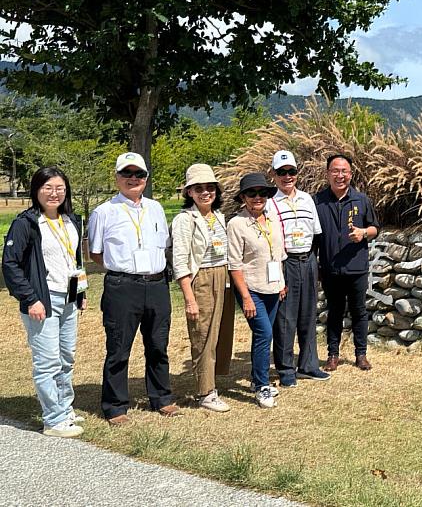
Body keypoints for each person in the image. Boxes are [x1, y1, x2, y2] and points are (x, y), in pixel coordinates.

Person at [88, 152, 181, 425]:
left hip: (156, 284)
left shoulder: (156, 208)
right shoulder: (104, 212)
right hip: (122, 286)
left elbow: (163, 245)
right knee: (119, 347)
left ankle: (161, 397)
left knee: (158, 344)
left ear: (146, 178)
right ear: (117, 178)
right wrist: (123, 268)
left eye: (139, 174)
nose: (133, 179)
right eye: (127, 174)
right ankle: (115, 405)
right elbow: (96, 253)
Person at [3, 167, 88, 438]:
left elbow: (75, 261)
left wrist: (81, 292)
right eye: (47, 188)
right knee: (47, 361)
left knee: (66, 358)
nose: (54, 193)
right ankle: (54, 420)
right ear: (36, 190)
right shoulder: (26, 223)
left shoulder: (71, 220)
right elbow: (11, 264)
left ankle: (64, 408)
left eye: (60, 188)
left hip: (69, 297)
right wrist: (30, 299)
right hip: (43, 299)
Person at [172, 164, 235, 412]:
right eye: (199, 188)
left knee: (219, 333)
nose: (205, 193)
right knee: (203, 335)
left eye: (210, 188)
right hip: (202, 279)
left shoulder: (219, 217)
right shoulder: (185, 220)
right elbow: (180, 261)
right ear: (189, 192)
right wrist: (189, 297)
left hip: (222, 276)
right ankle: (204, 392)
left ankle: (212, 382)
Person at [269, 151, 330, 387]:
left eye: (291, 171)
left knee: (308, 315)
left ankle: (308, 365)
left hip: (308, 260)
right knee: (285, 317)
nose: (287, 176)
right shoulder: (270, 203)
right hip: (286, 262)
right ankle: (285, 369)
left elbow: (316, 234)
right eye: (282, 172)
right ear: (273, 174)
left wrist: (314, 262)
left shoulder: (307, 199)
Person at [314, 154, 379, 372]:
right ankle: (333, 355)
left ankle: (361, 354)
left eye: (344, 171)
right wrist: (316, 266)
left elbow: (375, 229)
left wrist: (363, 233)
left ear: (350, 174)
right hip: (331, 268)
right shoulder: (318, 201)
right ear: (327, 174)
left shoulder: (361, 200)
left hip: (357, 267)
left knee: (359, 311)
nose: (339, 175)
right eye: (335, 171)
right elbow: (313, 237)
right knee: (334, 311)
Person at [228, 172, 286, 408]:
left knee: (263, 335)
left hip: (272, 286)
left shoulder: (272, 220)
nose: (257, 198)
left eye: (262, 193)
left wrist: (281, 284)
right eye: (251, 194)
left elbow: (278, 256)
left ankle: (255, 379)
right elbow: (234, 264)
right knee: (264, 333)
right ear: (243, 197)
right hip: (251, 289)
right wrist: (245, 297)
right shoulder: (237, 224)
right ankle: (262, 386)